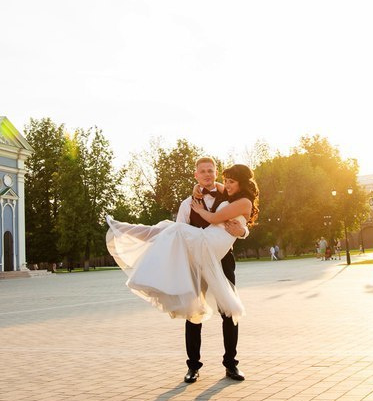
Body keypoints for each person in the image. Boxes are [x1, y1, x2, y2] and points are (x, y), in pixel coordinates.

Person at [106, 160, 259, 384]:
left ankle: (231, 364)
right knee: (193, 311)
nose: (207, 175)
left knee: (228, 313)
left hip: (223, 259)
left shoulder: (229, 194)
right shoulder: (188, 203)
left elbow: (242, 218)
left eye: (211, 171)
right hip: (194, 260)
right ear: (196, 175)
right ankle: (193, 367)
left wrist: (243, 231)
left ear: (215, 174)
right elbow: (178, 235)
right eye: (203, 172)